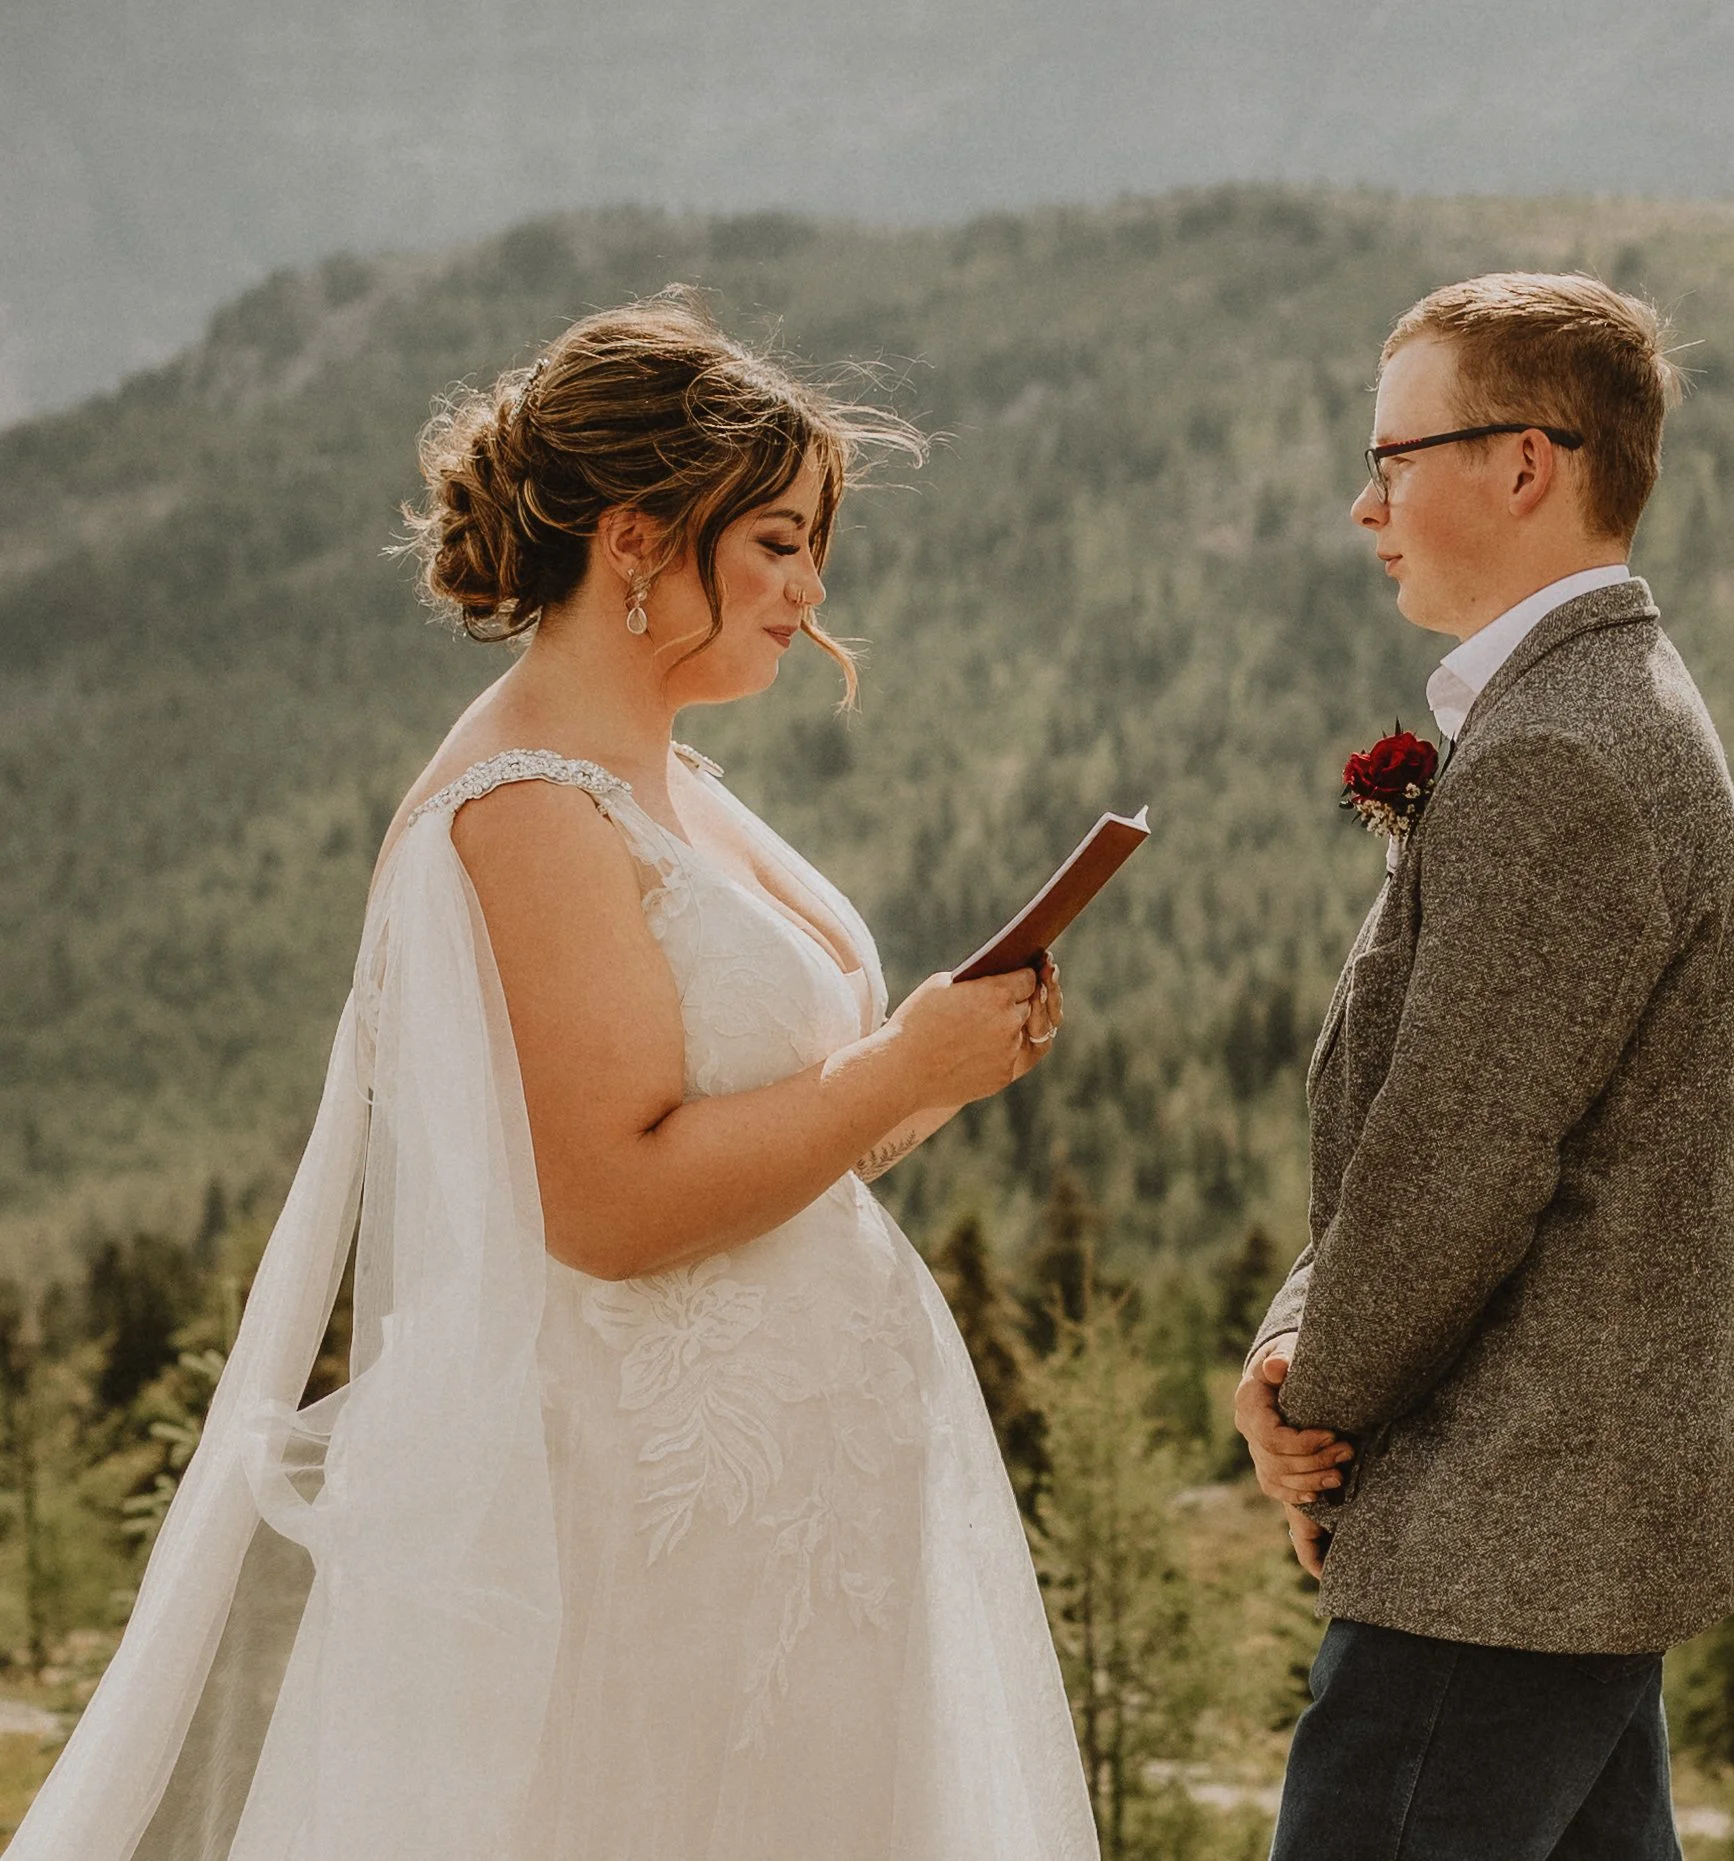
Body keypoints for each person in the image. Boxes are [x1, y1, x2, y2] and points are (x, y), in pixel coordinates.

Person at [13, 291, 1099, 1861]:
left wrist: (936, 1072)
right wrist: (893, 1074)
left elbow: (757, 1135)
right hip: (644, 1530)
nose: (811, 589)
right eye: (777, 541)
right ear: (643, 537)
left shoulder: (675, 773)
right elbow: (602, 1200)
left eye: (815, 547)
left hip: (799, 1513)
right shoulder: (521, 810)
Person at [1233, 273, 1734, 1860]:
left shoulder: (1560, 753)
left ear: (1524, 463)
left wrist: (1306, 1406)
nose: (1363, 501)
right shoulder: (1586, 709)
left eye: (1396, 458)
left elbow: (1456, 1165)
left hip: (1499, 1543)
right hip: (1559, 1542)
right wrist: (1297, 1336)